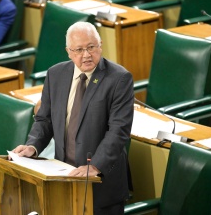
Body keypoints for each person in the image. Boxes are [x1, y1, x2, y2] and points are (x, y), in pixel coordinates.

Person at [11, 21, 134, 215]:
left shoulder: (119, 78)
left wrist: (95, 165)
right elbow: (44, 119)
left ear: (100, 44)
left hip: (101, 183)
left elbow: (119, 131)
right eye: (78, 49)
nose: (86, 55)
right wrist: (32, 146)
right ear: (68, 51)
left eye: (91, 47)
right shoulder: (55, 74)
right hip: (64, 177)